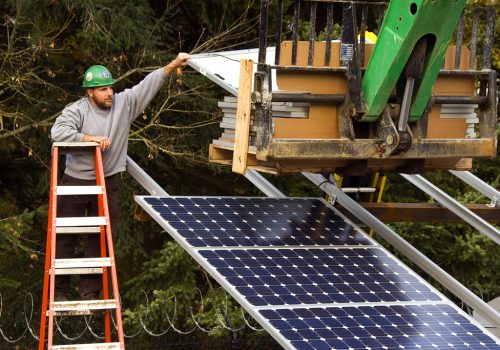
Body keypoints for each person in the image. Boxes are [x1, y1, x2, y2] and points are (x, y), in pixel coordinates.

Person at [50, 53, 191, 301]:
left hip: (106, 182)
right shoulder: (77, 110)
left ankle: (89, 292)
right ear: (89, 93)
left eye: (111, 88)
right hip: (75, 182)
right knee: (65, 237)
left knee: (102, 237)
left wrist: (171, 66)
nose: (109, 94)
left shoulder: (123, 105)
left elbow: (145, 87)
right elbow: (58, 132)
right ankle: (59, 291)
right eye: (103, 89)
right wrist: (88, 138)